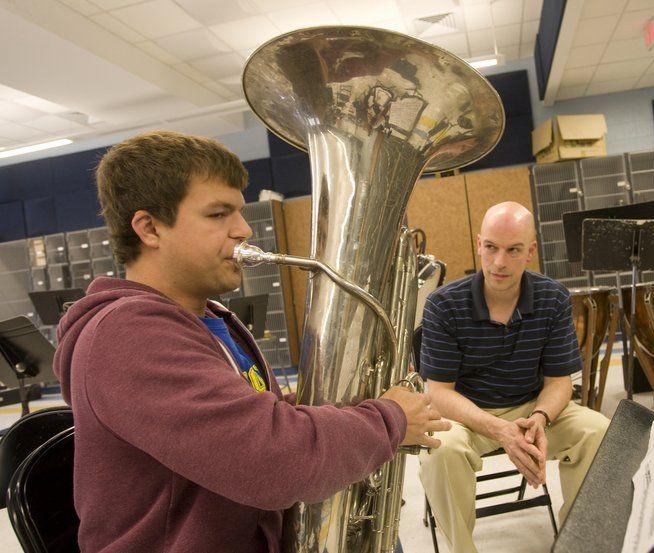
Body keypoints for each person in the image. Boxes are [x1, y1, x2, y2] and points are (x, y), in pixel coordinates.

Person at [53, 130, 448, 552]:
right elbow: (276, 462)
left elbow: (252, 419)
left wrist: (355, 400)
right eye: (218, 214)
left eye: (240, 212)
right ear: (150, 228)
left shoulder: (208, 319)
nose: (243, 230)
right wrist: (389, 420)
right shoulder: (129, 335)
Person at [418, 201, 609, 553]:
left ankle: (578, 543)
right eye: (491, 247)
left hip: (531, 410)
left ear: (531, 252)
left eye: (513, 250)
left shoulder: (553, 298)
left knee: (597, 432)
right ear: (479, 244)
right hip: (467, 416)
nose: (499, 262)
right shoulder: (444, 305)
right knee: (442, 450)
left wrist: (539, 418)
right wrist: (500, 430)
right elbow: (439, 393)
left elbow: (559, 381)